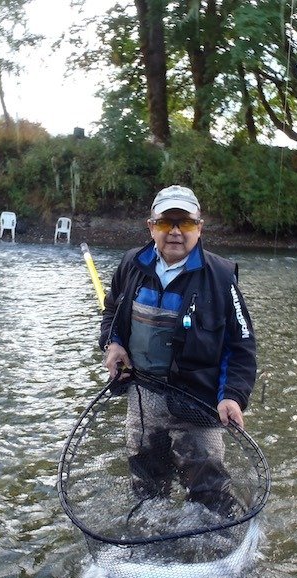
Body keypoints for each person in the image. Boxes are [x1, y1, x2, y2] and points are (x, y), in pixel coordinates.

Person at [99, 184, 257, 517]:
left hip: (198, 400)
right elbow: (112, 309)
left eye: (184, 223)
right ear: (150, 226)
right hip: (144, 395)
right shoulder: (131, 265)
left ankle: (216, 543)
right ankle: (151, 532)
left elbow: (241, 345)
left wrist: (232, 396)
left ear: (199, 228)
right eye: (164, 223)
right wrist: (112, 344)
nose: (174, 231)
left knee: (208, 487)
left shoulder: (221, 278)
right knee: (147, 483)